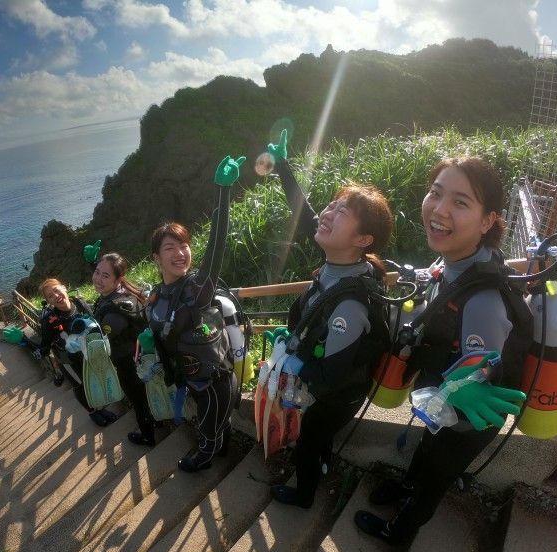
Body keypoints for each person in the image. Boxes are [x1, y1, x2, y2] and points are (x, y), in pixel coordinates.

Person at [354, 156, 529, 544]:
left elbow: (484, 372)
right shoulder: (456, 259)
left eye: (460, 202)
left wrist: (468, 384)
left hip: (471, 415)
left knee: (438, 472)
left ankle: (399, 529)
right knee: (427, 448)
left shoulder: (484, 299)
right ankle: (406, 487)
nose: (439, 209)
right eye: (436, 193)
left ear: (487, 222)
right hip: (443, 394)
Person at [263, 129, 395, 509]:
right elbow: (307, 215)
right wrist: (283, 167)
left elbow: (331, 378)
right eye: (332, 206)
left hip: (338, 395)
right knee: (319, 439)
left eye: (341, 212)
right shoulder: (344, 265)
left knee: (311, 438)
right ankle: (321, 461)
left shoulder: (349, 306)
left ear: (363, 239)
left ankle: (303, 494)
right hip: (336, 384)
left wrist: (293, 358)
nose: (327, 214)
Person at [145, 154, 245, 473]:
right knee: (213, 420)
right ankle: (221, 442)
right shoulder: (157, 295)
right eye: (170, 248)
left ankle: (205, 454)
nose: (180, 252)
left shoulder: (197, 289)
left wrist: (223, 191)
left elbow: (216, 247)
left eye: (184, 245)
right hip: (191, 377)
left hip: (215, 379)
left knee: (208, 426)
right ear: (156, 258)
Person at [90, 252, 156, 446]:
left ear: (118, 279)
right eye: (96, 272)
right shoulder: (121, 293)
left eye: (105, 276)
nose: (98, 279)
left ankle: (147, 435)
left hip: (128, 363)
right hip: (139, 356)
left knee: (138, 399)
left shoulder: (114, 314)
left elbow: (102, 341)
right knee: (144, 393)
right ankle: (156, 421)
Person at [36, 277, 118, 428]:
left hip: (90, 355)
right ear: (49, 302)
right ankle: (93, 412)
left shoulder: (79, 303)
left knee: (93, 382)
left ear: (64, 288)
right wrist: (25, 341)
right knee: (80, 385)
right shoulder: (50, 320)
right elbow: (44, 346)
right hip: (69, 361)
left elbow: (95, 321)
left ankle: (101, 408)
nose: (55, 296)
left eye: (56, 290)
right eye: (50, 296)